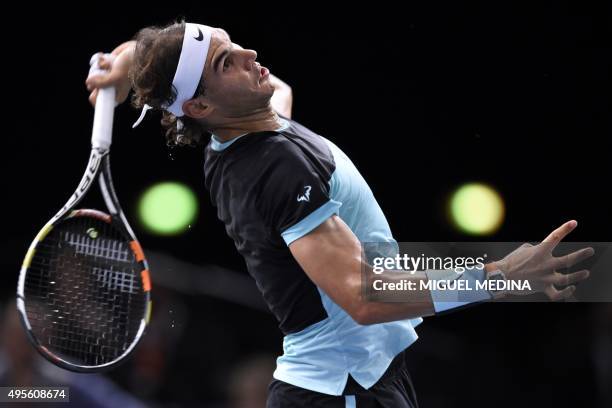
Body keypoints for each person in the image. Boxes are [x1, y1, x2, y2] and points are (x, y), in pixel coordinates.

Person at [86, 20, 594, 407]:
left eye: (233, 42)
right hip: (342, 388)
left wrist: (131, 59)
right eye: (226, 62)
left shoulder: (248, 128)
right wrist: (503, 276)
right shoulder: (273, 170)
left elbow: (257, 88)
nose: (251, 54)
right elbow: (364, 295)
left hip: (365, 375)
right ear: (197, 107)